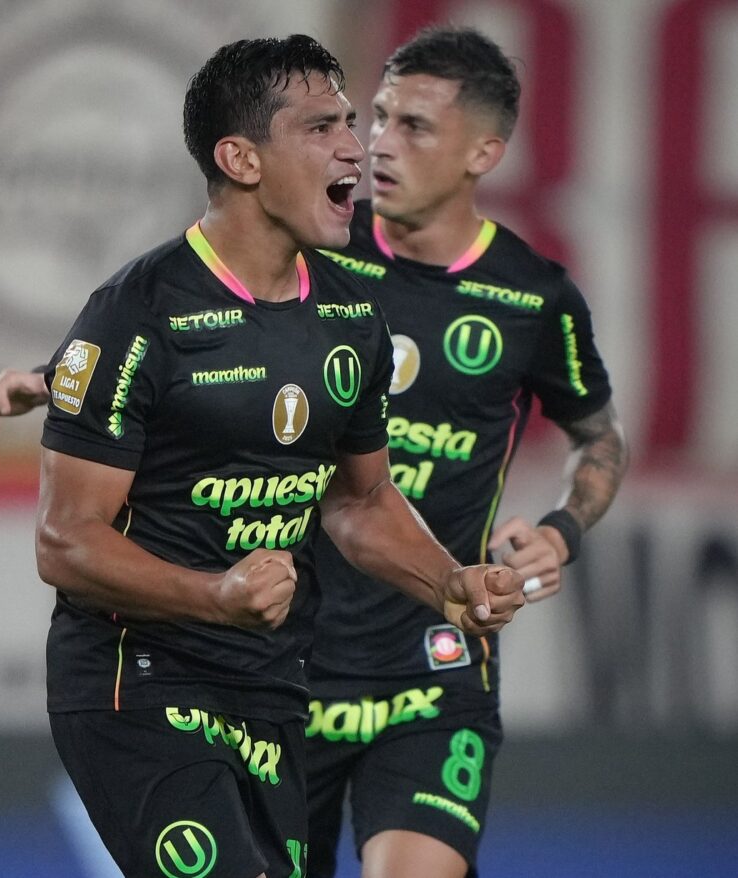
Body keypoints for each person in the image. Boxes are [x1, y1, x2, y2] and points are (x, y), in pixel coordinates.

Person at [0, 25, 627, 878]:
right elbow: (65, 537)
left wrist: (456, 582)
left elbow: (360, 501)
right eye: (334, 126)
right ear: (243, 161)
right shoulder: (146, 308)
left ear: (486, 152)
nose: (364, 147)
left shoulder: (373, 312)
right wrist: (213, 593)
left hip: (314, 679)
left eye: (376, 123)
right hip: (157, 679)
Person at [300, 26, 628, 878]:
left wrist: (561, 530)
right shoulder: (312, 253)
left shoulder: (533, 297)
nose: (378, 143)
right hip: (280, 664)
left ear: (485, 151)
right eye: (376, 118)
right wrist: (65, 378)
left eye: (414, 127)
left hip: (434, 667)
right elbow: (187, 333)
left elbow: (599, 438)